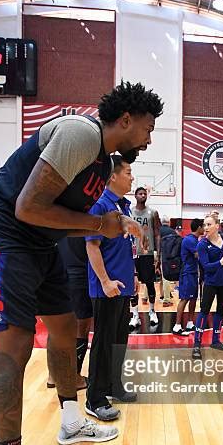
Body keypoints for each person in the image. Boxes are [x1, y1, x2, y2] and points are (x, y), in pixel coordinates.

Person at [0, 80, 163, 445]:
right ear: (126, 120)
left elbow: (57, 217)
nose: (150, 140)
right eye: (149, 129)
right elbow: (28, 207)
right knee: (14, 348)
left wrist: (110, 225)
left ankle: (71, 421)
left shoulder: (101, 161)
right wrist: (100, 223)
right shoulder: (80, 133)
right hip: (3, 232)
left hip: (39, 241)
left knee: (66, 326)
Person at [85, 156, 138, 421]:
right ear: (113, 177)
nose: (132, 177)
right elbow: (91, 246)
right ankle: (94, 398)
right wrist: (105, 281)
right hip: (106, 289)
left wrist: (133, 275)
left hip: (124, 286)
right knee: (103, 344)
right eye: (128, 172)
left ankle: (114, 386)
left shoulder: (124, 206)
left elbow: (126, 246)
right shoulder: (100, 206)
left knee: (119, 342)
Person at [46, 237, 92, 390]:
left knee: (55, 328)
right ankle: (74, 378)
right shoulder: (82, 215)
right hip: (78, 274)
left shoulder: (54, 215)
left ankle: (53, 376)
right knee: (81, 328)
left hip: (54, 274)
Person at [192, 215, 223, 360]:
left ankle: (216, 341)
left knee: (220, 312)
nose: (206, 228)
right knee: (204, 312)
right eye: (204, 225)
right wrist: (221, 263)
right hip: (210, 283)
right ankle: (197, 344)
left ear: (217, 226)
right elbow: (206, 267)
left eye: (209, 224)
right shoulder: (202, 245)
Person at [130, 187, 161, 327]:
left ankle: (152, 311)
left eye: (144, 193)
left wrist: (157, 253)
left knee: (149, 283)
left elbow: (157, 234)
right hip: (133, 253)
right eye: (140, 193)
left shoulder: (152, 212)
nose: (143, 195)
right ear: (135, 195)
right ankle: (135, 315)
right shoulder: (129, 212)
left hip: (148, 253)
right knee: (133, 285)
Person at [173, 218, 204, 336]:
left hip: (194, 273)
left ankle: (190, 323)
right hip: (187, 273)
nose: (205, 228)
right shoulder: (189, 240)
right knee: (185, 299)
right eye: (203, 226)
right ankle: (177, 326)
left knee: (192, 299)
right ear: (199, 227)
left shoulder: (195, 239)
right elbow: (198, 255)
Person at [159, 215, 176, 306]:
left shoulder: (157, 230)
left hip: (154, 253)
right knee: (166, 276)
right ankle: (166, 299)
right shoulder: (172, 231)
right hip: (166, 255)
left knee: (152, 277)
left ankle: (146, 297)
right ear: (168, 222)